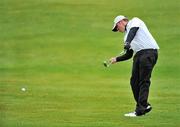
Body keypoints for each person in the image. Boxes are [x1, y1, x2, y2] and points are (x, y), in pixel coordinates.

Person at [110, 15, 159, 117]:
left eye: (117, 27)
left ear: (121, 22)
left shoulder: (135, 21)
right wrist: (117, 59)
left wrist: (128, 42)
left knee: (144, 81)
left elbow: (133, 31)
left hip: (149, 52)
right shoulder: (126, 36)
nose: (118, 30)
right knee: (134, 82)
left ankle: (140, 110)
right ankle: (145, 105)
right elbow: (129, 54)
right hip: (138, 55)